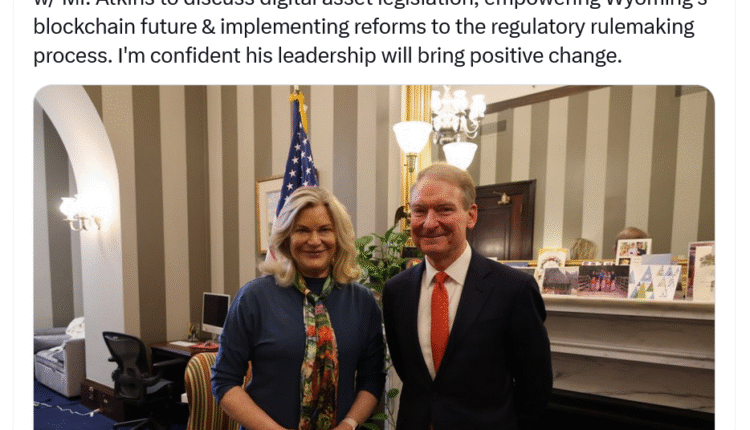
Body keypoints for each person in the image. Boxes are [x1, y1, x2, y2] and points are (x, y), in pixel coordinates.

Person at [382, 163, 553, 430]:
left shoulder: (514, 289)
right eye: (419, 211)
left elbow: (535, 385)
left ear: (471, 216)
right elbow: (409, 372)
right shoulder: (396, 291)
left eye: (444, 209)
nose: (429, 222)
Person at [212, 187, 386, 430]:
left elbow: (372, 379)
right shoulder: (253, 298)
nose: (314, 241)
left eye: (324, 230)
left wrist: (348, 424)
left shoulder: (363, 302)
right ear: (286, 238)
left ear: (339, 236)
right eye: (302, 230)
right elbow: (224, 381)